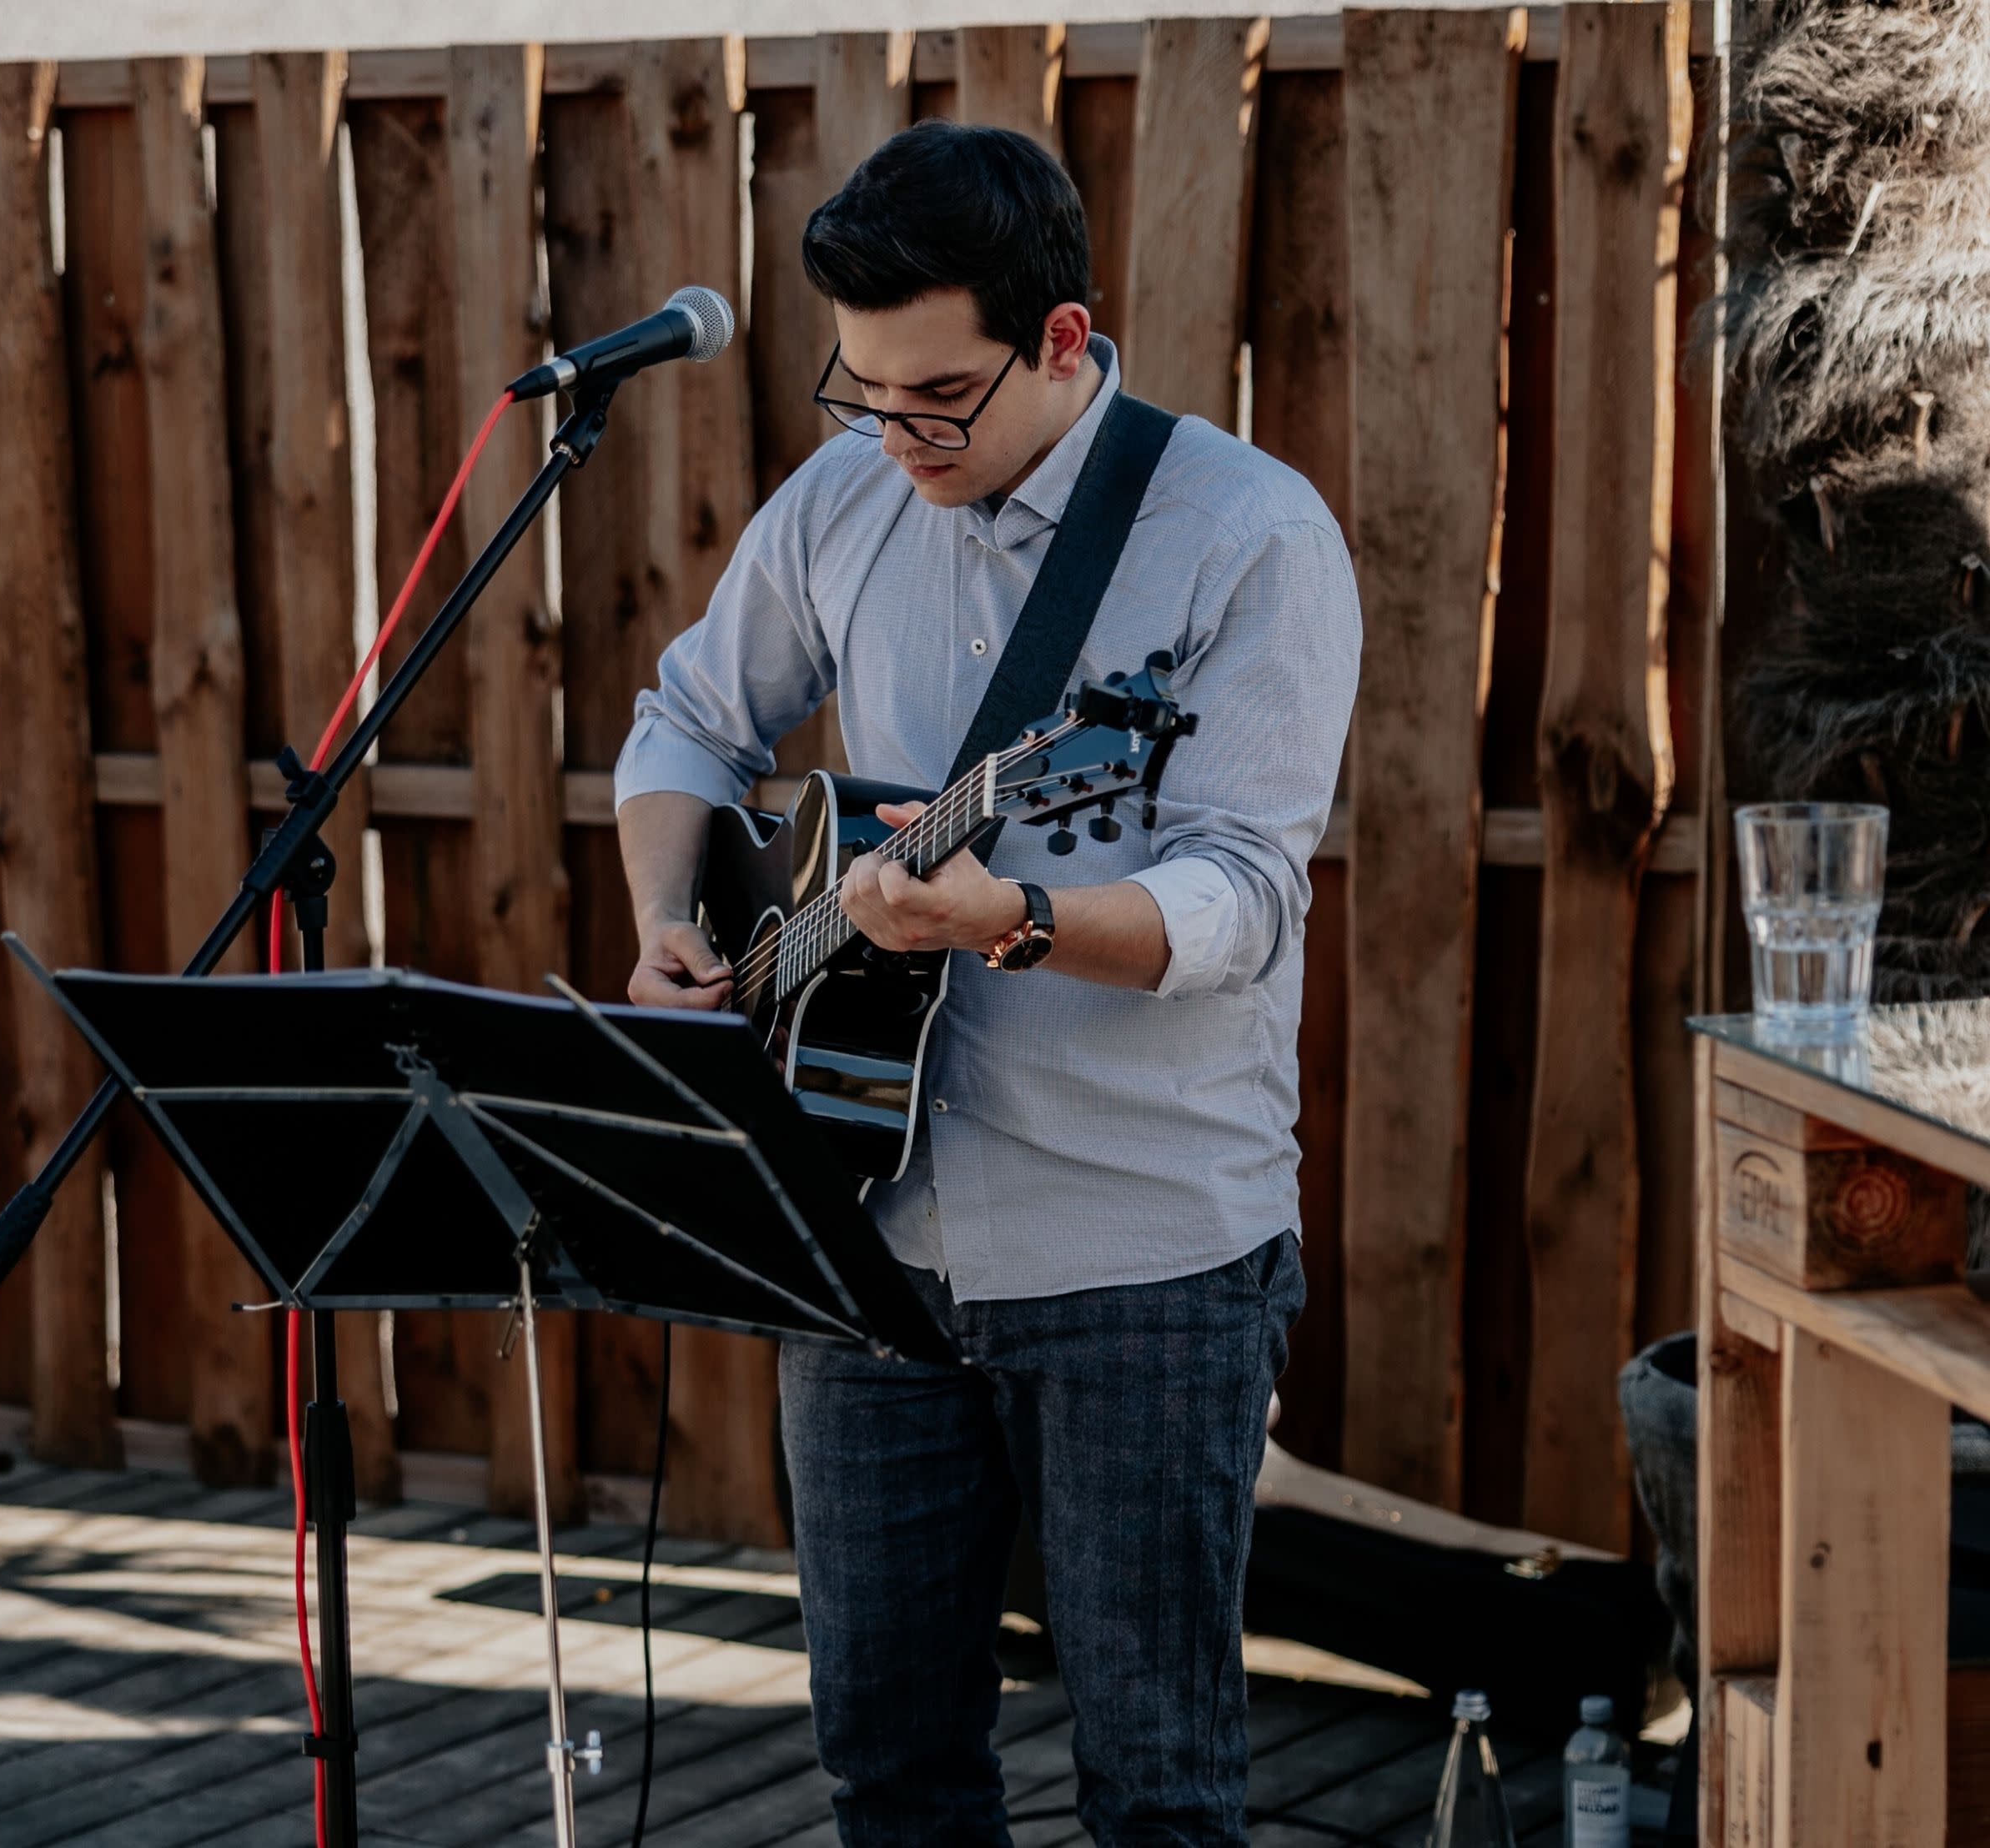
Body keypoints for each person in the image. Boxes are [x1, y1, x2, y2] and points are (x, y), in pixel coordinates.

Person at [611, 119, 1360, 1847]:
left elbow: (1245, 896)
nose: (897, 436)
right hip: (866, 1237)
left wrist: (1011, 917)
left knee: (1157, 1791)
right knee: (889, 1770)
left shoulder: (1245, 535)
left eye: (940, 396)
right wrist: (668, 913)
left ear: (1062, 340)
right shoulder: (850, 491)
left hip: (1142, 1250)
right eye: (863, 391)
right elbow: (688, 719)